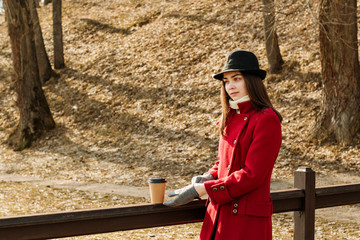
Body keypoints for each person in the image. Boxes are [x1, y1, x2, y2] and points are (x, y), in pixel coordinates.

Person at [164, 50, 282, 239]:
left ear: (251, 80)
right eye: (226, 81)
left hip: (246, 222)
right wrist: (208, 176)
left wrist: (203, 189)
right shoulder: (230, 116)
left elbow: (253, 175)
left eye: (236, 79)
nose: (230, 86)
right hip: (217, 215)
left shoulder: (267, 119)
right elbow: (224, 162)